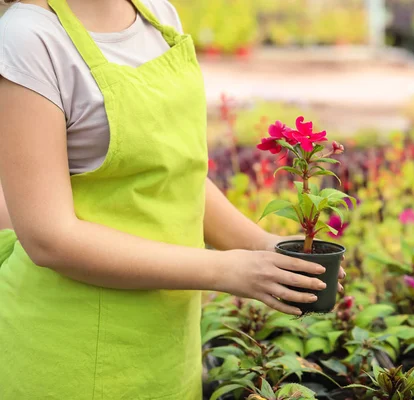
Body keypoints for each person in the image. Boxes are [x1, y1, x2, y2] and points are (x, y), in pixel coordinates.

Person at [0, 0, 345, 398]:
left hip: (167, 351)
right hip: (69, 355)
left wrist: (267, 249)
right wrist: (228, 270)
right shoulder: (29, 37)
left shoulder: (157, 14)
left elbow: (176, 178)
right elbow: (49, 238)